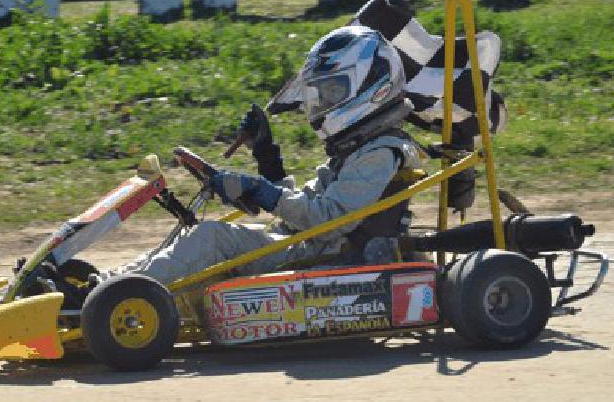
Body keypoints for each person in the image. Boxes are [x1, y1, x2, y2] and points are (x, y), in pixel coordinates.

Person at [101, 25, 422, 285]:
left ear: (373, 88)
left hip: (323, 259)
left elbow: (326, 221)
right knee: (203, 234)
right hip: (306, 245)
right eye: (322, 93)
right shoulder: (357, 147)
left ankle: (121, 294)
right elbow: (303, 210)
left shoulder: (380, 153)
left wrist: (259, 190)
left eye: (333, 92)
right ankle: (111, 283)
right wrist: (267, 156)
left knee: (213, 237)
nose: (323, 101)